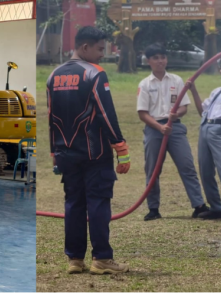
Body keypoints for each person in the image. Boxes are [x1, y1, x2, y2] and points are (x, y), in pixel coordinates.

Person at [46, 26, 130, 274]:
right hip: (95, 154)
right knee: (98, 203)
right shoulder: (94, 73)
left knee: (73, 203)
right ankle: (102, 259)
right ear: (85, 47)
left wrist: (54, 153)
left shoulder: (53, 76)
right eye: (100, 49)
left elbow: (51, 118)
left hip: (65, 153)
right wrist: (121, 147)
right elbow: (106, 113)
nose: (103, 54)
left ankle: (75, 259)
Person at [135, 44, 207, 221]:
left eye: (163, 57)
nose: (160, 61)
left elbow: (184, 107)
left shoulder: (176, 80)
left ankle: (199, 206)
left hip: (175, 128)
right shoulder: (145, 84)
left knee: (187, 166)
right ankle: (153, 209)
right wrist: (159, 127)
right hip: (154, 129)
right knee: (153, 170)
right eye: (156, 58)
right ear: (148, 61)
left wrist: (176, 115)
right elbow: (142, 113)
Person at [193, 58, 221, 220]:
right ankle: (216, 208)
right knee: (205, 170)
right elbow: (202, 111)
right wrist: (193, 90)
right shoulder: (217, 91)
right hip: (206, 126)